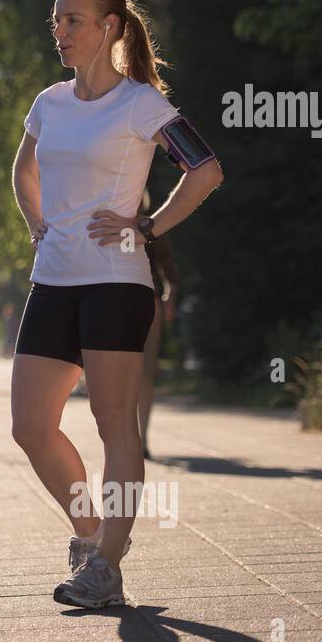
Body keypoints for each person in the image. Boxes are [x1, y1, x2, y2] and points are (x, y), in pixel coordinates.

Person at [10, 0, 224, 609]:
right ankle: (93, 536)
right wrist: (36, 223)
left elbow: (206, 170)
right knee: (29, 425)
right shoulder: (49, 103)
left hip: (116, 281)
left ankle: (106, 563)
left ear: (109, 27)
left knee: (113, 425)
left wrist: (149, 226)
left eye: (73, 20)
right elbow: (24, 168)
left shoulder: (141, 104)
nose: (61, 32)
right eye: (56, 20)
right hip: (53, 279)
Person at [139, 187, 180, 460]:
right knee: (138, 375)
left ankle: (140, 440)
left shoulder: (150, 227)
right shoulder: (101, 223)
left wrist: (168, 299)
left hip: (144, 301)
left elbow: (171, 276)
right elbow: (172, 278)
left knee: (142, 374)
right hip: (131, 301)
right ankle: (134, 440)